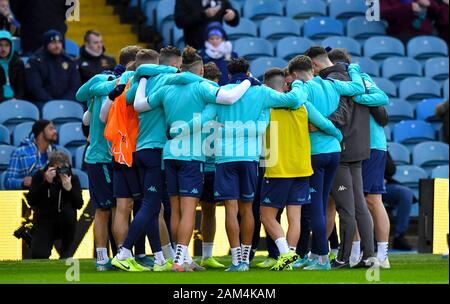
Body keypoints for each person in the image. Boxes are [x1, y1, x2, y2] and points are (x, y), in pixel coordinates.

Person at [185, 58, 313, 272]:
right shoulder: (261, 92)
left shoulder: (221, 92)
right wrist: (298, 83)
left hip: (225, 158)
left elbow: (203, 120)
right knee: (247, 210)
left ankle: (237, 261)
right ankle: (245, 259)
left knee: (230, 209)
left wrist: (179, 131)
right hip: (250, 158)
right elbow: (292, 101)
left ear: (228, 75)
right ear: (248, 73)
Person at [145, 48, 253, 272]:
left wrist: (140, 76)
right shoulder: (203, 86)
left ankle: (182, 259)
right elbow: (229, 97)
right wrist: (248, 82)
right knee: (188, 210)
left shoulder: (167, 87)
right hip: (192, 155)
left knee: (174, 210)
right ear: (202, 70)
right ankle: (179, 261)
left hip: (169, 153)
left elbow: (140, 104)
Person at [304, 46, 385, 269]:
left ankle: (344, 257)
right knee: (358, 204)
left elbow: (341, 113)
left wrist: (318, 123)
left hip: (342, 147)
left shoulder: (334, 81)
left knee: (346, 207)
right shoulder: (354, 77)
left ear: (315, 65)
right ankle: (369, 256)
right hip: (359, 146)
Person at [286, 55, 365, 270]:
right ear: (312, 67)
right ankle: (316, 255)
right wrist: (354, 68)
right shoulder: (332, 84)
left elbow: (308, 111)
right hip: (334, 153)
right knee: (322, 204)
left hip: (315, 152)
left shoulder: (302, 87)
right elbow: (357, 87)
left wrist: (332, 130)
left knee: (317, 207)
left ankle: (321, 257)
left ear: (294, 75)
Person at [259, 67, 342, 271]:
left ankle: (286, 254)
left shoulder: (266, 107)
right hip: (302, 168)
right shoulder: (303, 105)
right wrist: (339, 136)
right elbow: (325, 124)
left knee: (267, 216)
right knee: (294, 216)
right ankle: (292, 256)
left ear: (267, 88)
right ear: (286, 85)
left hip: (278, 168)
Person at [328, 48, 391, 268]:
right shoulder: (340, 82)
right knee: (353, 202)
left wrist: (354, 93)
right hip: (357, 145)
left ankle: (381, 254)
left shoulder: (360, 79)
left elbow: (382, 99)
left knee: (372, 200)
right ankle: (355, 252)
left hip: (372, 145)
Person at [27, 151, 83, 259]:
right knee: (39, 255)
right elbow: (31, 200)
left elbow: (79, 204)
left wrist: (69, 189)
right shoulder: (40, 176)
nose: (60, 172)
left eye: (63, 169)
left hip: (65, 223)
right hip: (44, 222)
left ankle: (66, 249)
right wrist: (46, 183)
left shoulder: (72, 178)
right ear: (50, 167)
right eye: (57, 169)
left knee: (69, 213)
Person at [197, 61, 226, 269]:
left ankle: (205, 255)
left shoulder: (217, 98)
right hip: (213, 164)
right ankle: (237, 255)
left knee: (201, 210)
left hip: (204, 163)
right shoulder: (219, 97)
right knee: (217, 210)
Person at [25, 30, 81, 107]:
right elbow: (35, 88)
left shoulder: (69, 60)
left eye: (59, 42)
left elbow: (75, 86)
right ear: (46, 44)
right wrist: (52, 103)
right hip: (43, 102)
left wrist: (64, 101)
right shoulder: (35, 61)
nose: (57, 46)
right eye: (53, 43)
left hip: (67, 101)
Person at [4, 120, 58, 190]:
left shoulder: (56, 153)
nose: (55, 131)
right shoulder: (20, 152)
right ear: (41, 132)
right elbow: (8, 182)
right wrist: (23, 182)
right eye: (51, 129)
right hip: (29, 197)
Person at [174, 0, 240, 50]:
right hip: (195, 49)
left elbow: (234, 21)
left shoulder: (220, 1)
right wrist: (203, 14)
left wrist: (233, 15)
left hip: (218, 48)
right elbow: (180, 21)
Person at [383, 152, 414, 250]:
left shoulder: (379, 143)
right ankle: (371, 240)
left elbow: (391, 170)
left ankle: (399, 236)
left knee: (405, 193)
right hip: (362, 183)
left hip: (383, 184)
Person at [380, 0, 448, 43]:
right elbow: (382, 13)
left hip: (426, 34)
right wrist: (409, 8)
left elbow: (438, 16)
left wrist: (430, 4)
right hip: (401, 34)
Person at [0, 30, 25, 102]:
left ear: (11, 46)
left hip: (16, 101)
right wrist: (6, 101)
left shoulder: (17, 62)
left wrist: (16, 98)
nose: (3, 49)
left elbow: (21, 87)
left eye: (6, 45)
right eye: (0, 45)